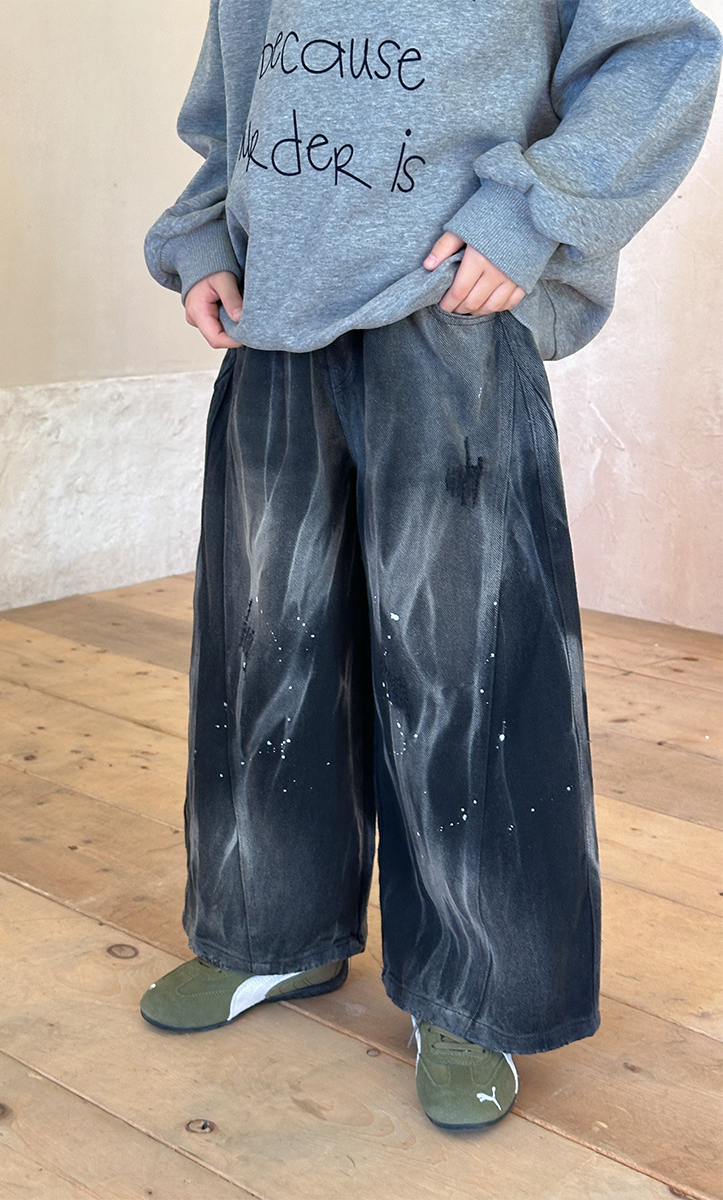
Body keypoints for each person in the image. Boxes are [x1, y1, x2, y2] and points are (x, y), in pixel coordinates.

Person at [141, 0, 721, 1130]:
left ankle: (474, 988)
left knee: (467, 665)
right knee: (264, 642)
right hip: (278, 311)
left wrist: (529, 215)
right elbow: (235, 89)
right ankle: (271, 929)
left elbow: (662, 55)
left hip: (445, 314)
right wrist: (205, 229)